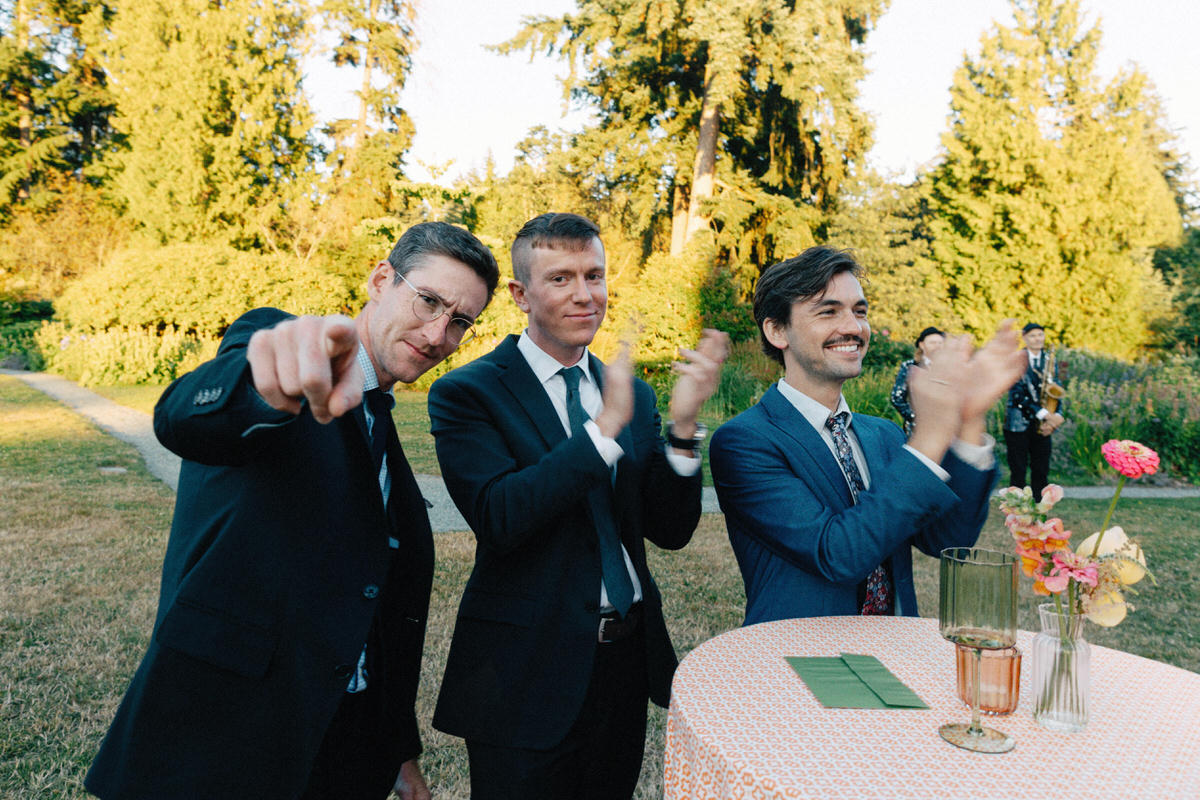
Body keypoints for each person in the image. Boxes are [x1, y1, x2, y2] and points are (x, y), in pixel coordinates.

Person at [84, 222, 500, 800]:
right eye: (428, 301)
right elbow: (184, 417)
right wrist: (265, 384)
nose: (438, 334)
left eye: (460, 321)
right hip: (221, 741)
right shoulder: (282, 344)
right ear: (381, 279)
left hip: (341, 749)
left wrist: (396, 752)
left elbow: (376, 611)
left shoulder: (384, 434)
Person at [427, 212, 729, 799]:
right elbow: (500, 517)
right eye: (561, 278)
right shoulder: (469, 392)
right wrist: (604, 429)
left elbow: (669, 530)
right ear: (520, 294)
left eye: (595, 275)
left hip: (622, 665)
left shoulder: (633, 393)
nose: (585, 294)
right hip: (523, 670)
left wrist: (684, 426)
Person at [709, 246, 1027, 625]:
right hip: (797, 659)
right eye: (828, 311)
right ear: (778, 330)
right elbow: (837, 553)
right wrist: (929, 433)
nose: (854, 327)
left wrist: (970, 420)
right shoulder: (745, 441)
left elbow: (944, 540)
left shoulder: (883, 434)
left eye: (860, 311)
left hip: (893, 651)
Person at [1004, 322, 1065, 501]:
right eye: (1032, 335)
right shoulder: (1015, 360)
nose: (1037, 339)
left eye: (1040, 335)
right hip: (1018, 424)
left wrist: (1057, 416)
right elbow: (1016, 394)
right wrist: (1045, 415)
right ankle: (1017, 508)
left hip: (1044, 425)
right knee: (1018, 470)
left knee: (1041, 469)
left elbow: (1059, 390)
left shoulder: (1053, 361)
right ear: (1024, 338)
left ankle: (1040, 508)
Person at [890, 326, 946, 436]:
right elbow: (896, 398)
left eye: (940, 343)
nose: (938, 347)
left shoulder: (950, 368)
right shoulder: (909, 367)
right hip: (917, 432)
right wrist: (915, 417)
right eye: (933, 343)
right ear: (922, 345)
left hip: (945, 432)